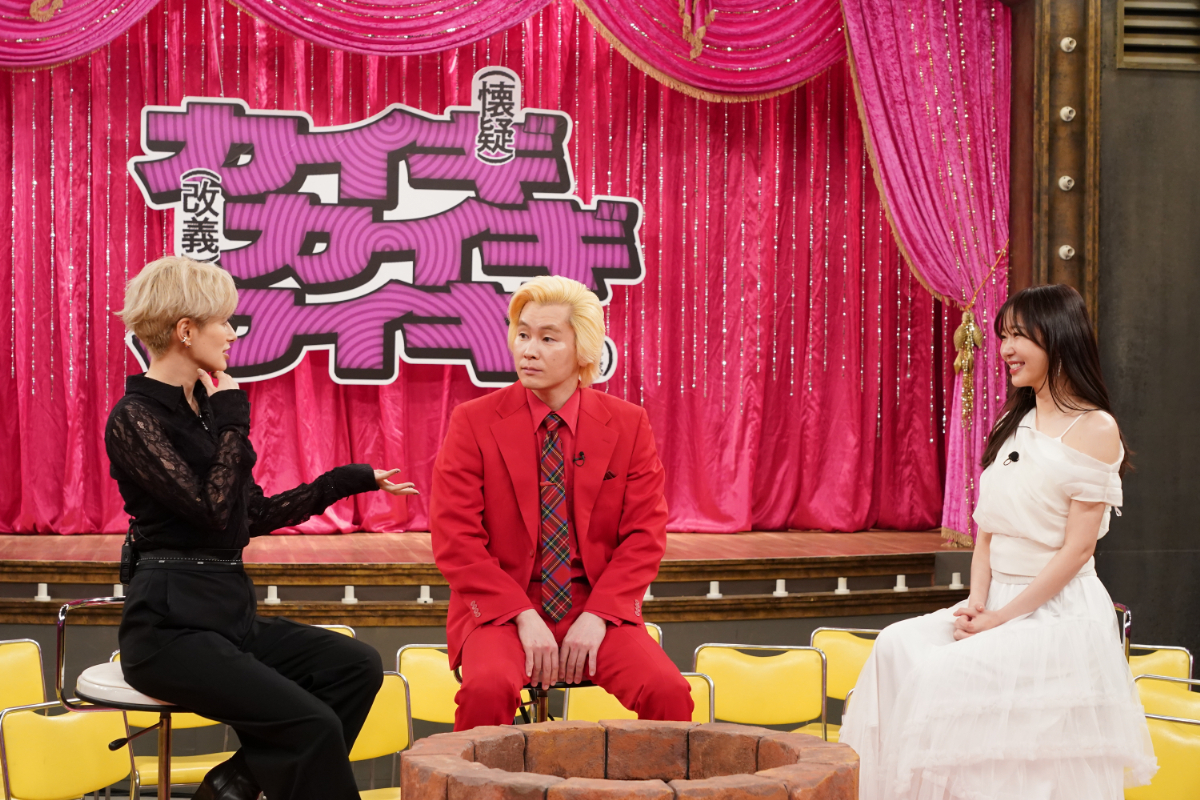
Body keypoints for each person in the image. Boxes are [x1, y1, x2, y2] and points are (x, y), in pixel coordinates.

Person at [105, 256, 418, 800]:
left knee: (355, 667)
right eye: (223, 321)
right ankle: (233, 786)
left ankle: (233, 783)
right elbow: (210, 510)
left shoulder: (207, 412)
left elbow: (253, 515)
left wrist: (345, 480)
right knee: (312, 725)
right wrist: (232, 418)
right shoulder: (135, 417)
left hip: (228, 615)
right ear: (186, 331)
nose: (232, 333)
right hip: (168, 629)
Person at [840, 284, 1156, 799]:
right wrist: (976, 602)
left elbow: (1078, 551)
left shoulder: (1096, 428)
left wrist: (1000, 620)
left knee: (940, 673)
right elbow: (986, 529)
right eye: (1003, 336)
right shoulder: (1016, 420)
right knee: (896, 645)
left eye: (1018, 336)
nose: (1006, 349)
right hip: (996, 601)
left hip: (1057, 612)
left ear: (1057, 337)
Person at [431, 275, 693, 730]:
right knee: (485, 690)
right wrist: (520, 614)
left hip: (596, 607)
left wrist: (599, 615)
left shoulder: (628, 425)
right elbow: (456, 539)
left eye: (547, 339)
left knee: (667, 691)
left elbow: (644, 536)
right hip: (501, 609)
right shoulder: (472, 422)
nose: (528, 351)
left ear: (583, 350)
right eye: (522, 334)